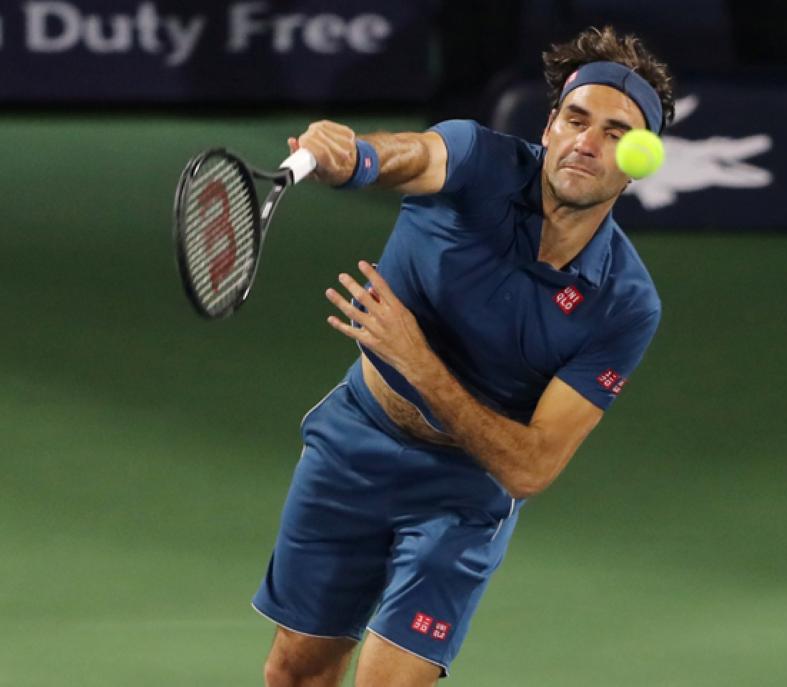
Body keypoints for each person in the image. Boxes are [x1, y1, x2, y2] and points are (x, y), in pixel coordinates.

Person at [253, 25, 675, 687]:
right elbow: (405, 155)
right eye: (575, 119)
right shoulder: (474, 158)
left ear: (642, 156)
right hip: (355, 440)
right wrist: (351, 156)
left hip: (465, 494)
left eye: (618, 132)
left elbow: (530, 467)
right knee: (295, 673)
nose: (587, 144)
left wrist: (419, 364)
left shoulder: (625, 304)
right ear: (550, 126)